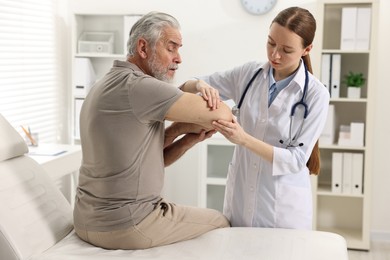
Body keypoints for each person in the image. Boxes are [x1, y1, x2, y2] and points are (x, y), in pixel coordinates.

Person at [73, 11, 233, 250]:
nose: (178, 58)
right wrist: (183, 123)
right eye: (171, 48)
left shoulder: (107, 83)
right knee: (221, 222)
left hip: (87, 220)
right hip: (127, 224)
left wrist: (186, 137)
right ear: (143, 47)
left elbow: (151, 160)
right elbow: (223, 115)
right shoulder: (139, 87)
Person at [181, 7, 330, 229]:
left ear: (306, 49)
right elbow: (186, 88)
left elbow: (296, 160)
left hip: (283, 212)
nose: (274, 55)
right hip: (240, 202)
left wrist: (243, 139)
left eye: (286, 50)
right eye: (271, 43)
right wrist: (200, 84)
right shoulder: (248, 74)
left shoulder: (316, 95)